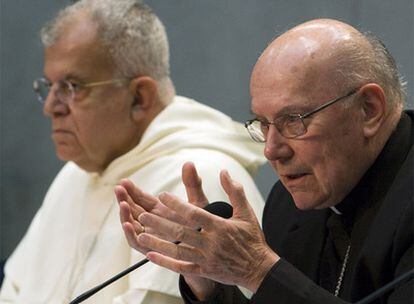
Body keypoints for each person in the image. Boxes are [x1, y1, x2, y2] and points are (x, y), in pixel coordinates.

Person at [116, 18, 413, 303]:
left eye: (293, 120)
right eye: (263, 123)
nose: (271, 150)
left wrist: (257, 269)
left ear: (368, 109)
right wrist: (209, 285)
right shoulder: (288, 206)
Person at [0, 1, 266, 303]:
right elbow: (13, 290)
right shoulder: (75, 175)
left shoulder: (198, 178)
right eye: (49, 86)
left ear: (139, 97)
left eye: (72, 86)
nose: (50, 107)